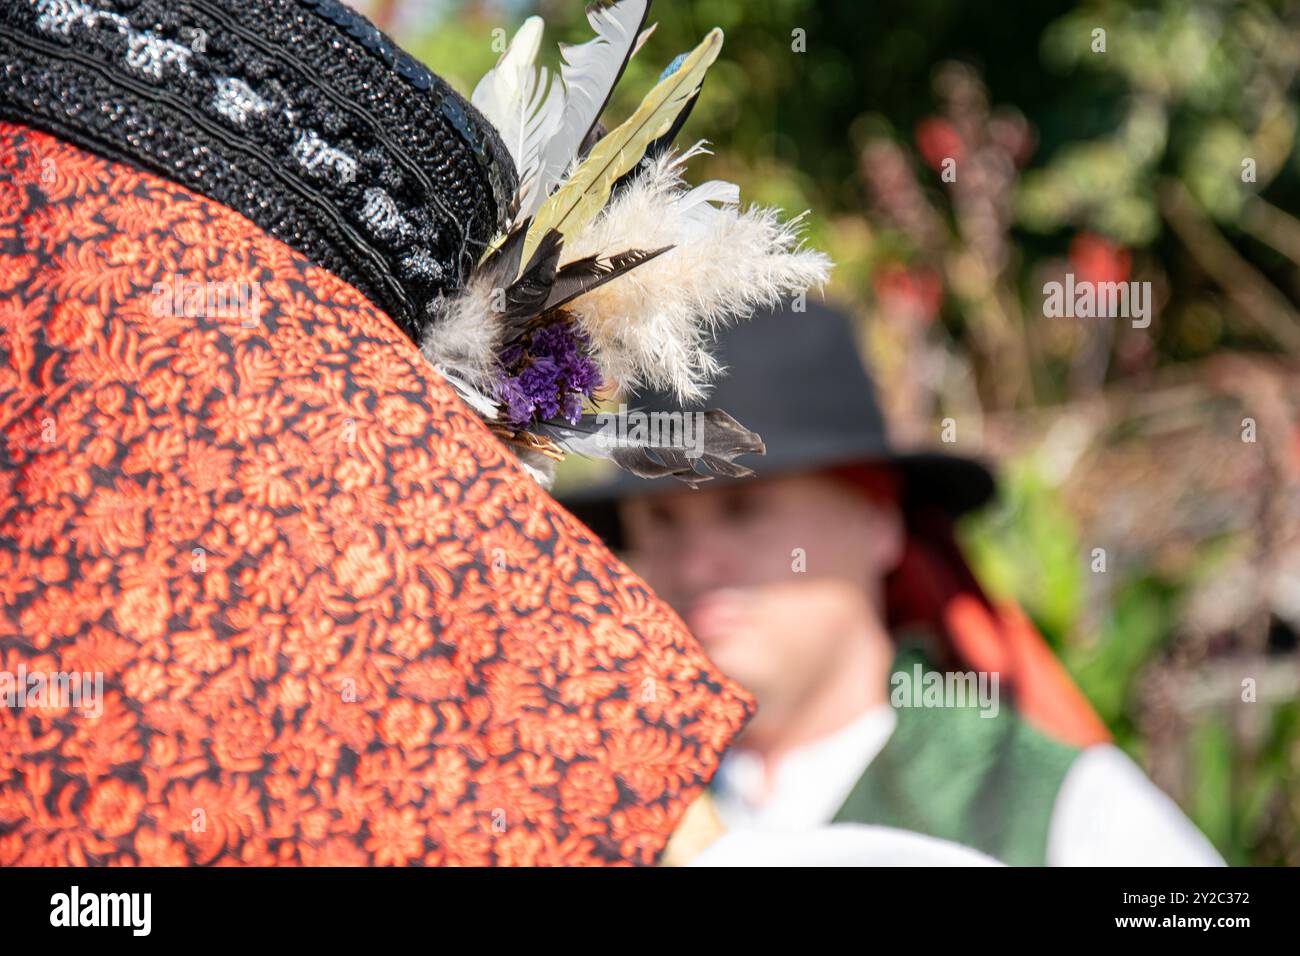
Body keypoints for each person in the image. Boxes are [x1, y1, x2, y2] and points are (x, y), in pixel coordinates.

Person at [561, 301, 1225, 866]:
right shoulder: (603, 803)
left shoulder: (1056, 811)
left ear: (879, 518)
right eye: (662, 519)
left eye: (745, 508)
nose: (698, 565)